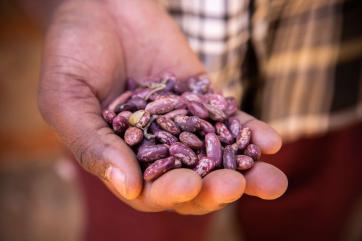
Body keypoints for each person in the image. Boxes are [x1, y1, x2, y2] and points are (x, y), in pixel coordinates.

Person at [30, 0, 361, 240]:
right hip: (141, 35)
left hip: (322, 61)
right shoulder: (148, 116)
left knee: (306, 213)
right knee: (138, 221)